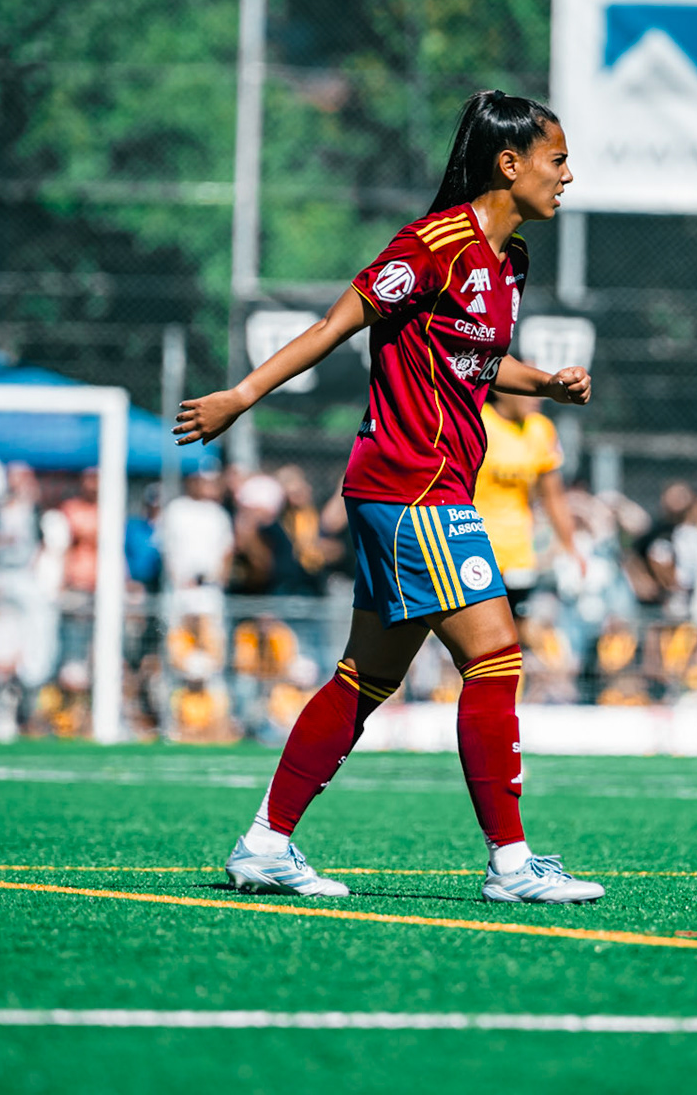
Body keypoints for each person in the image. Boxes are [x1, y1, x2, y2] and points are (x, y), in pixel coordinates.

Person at [175, 90, 601, 903]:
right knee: (496, 655)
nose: (567, 176)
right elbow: (336, 325)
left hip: (415, 491)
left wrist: (542, 383)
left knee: (364, 678)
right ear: (508, 166)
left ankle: (265, 843)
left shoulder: (508, 261)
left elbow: (472, 363)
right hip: (414, 486)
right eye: (557, 160)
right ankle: (512, 865)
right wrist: (242, 394)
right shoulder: (434, 244)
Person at [475, 387, 582, 609]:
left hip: (518, 551)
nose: (538, 398)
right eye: (529, 390)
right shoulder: (478, 422)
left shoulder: (541, 429)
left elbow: (554, 496)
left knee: (517, 626)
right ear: (503, 389)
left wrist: (571, 548)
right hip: (475, 545)